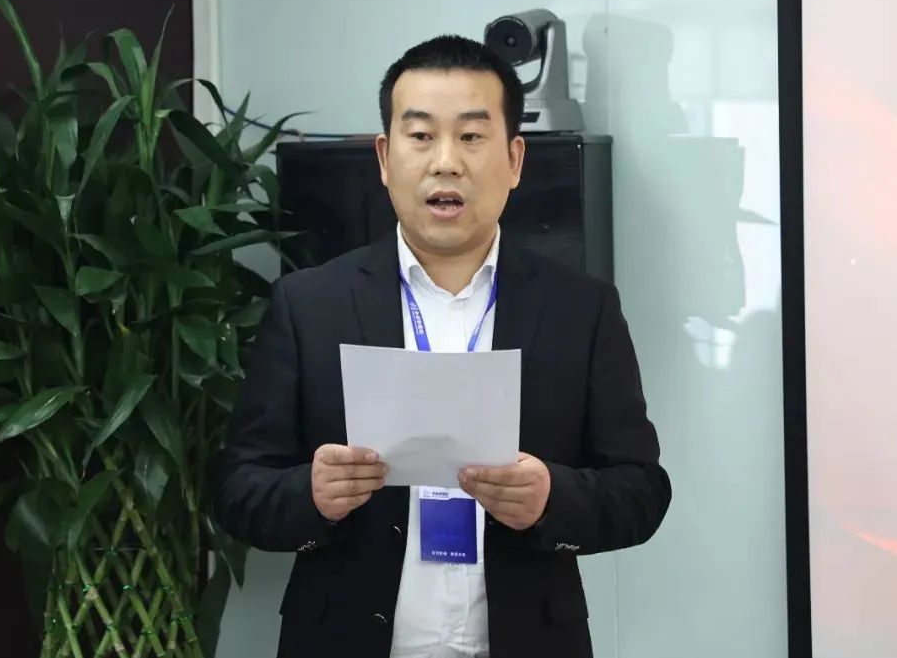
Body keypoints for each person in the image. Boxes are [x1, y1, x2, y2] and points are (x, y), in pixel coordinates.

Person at [213, 35, 671, 658]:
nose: (446, 161)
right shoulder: (309, 304)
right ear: (384, 157)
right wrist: (311, 495)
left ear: (515, 159)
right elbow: (238, 489)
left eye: (472, 136)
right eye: (421, 135)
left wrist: (551, 499)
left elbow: (641, 491)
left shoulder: (580, 309)